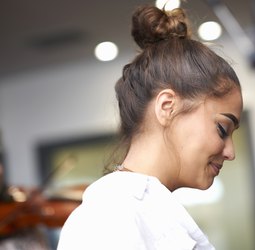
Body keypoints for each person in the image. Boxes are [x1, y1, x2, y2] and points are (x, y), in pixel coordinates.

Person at [57, 4, 243, 250]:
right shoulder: (108, 219)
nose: (230, 152)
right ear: (167, 107)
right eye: (222, 129)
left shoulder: (145, 210)